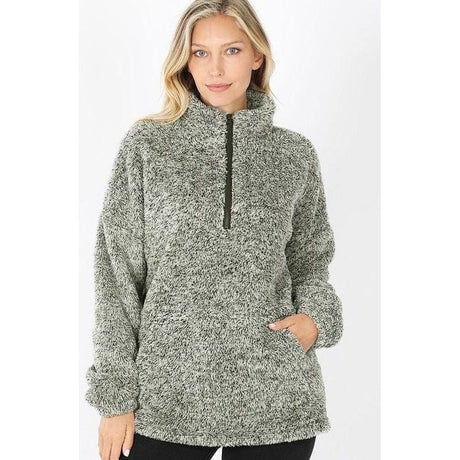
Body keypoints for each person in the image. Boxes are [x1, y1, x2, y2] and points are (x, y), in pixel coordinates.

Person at [85, 1, 344, 459]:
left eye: (232, 50)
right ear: (184, 60)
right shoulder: (147, 145)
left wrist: (316, 320)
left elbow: (310, 259)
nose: (215, 69)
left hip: (276, 391)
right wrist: (115, 395)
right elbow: (116, 274)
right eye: (200, 52)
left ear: (257, 56)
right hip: (165, 395)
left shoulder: (294, 155)